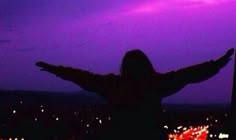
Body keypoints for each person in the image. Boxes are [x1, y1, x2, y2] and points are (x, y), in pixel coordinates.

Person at [36, 48, 234, 139]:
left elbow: (188, 75)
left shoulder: (115, 84)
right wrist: (216, 65)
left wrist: (216, 64)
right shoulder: (153, 83)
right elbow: (188, 75)